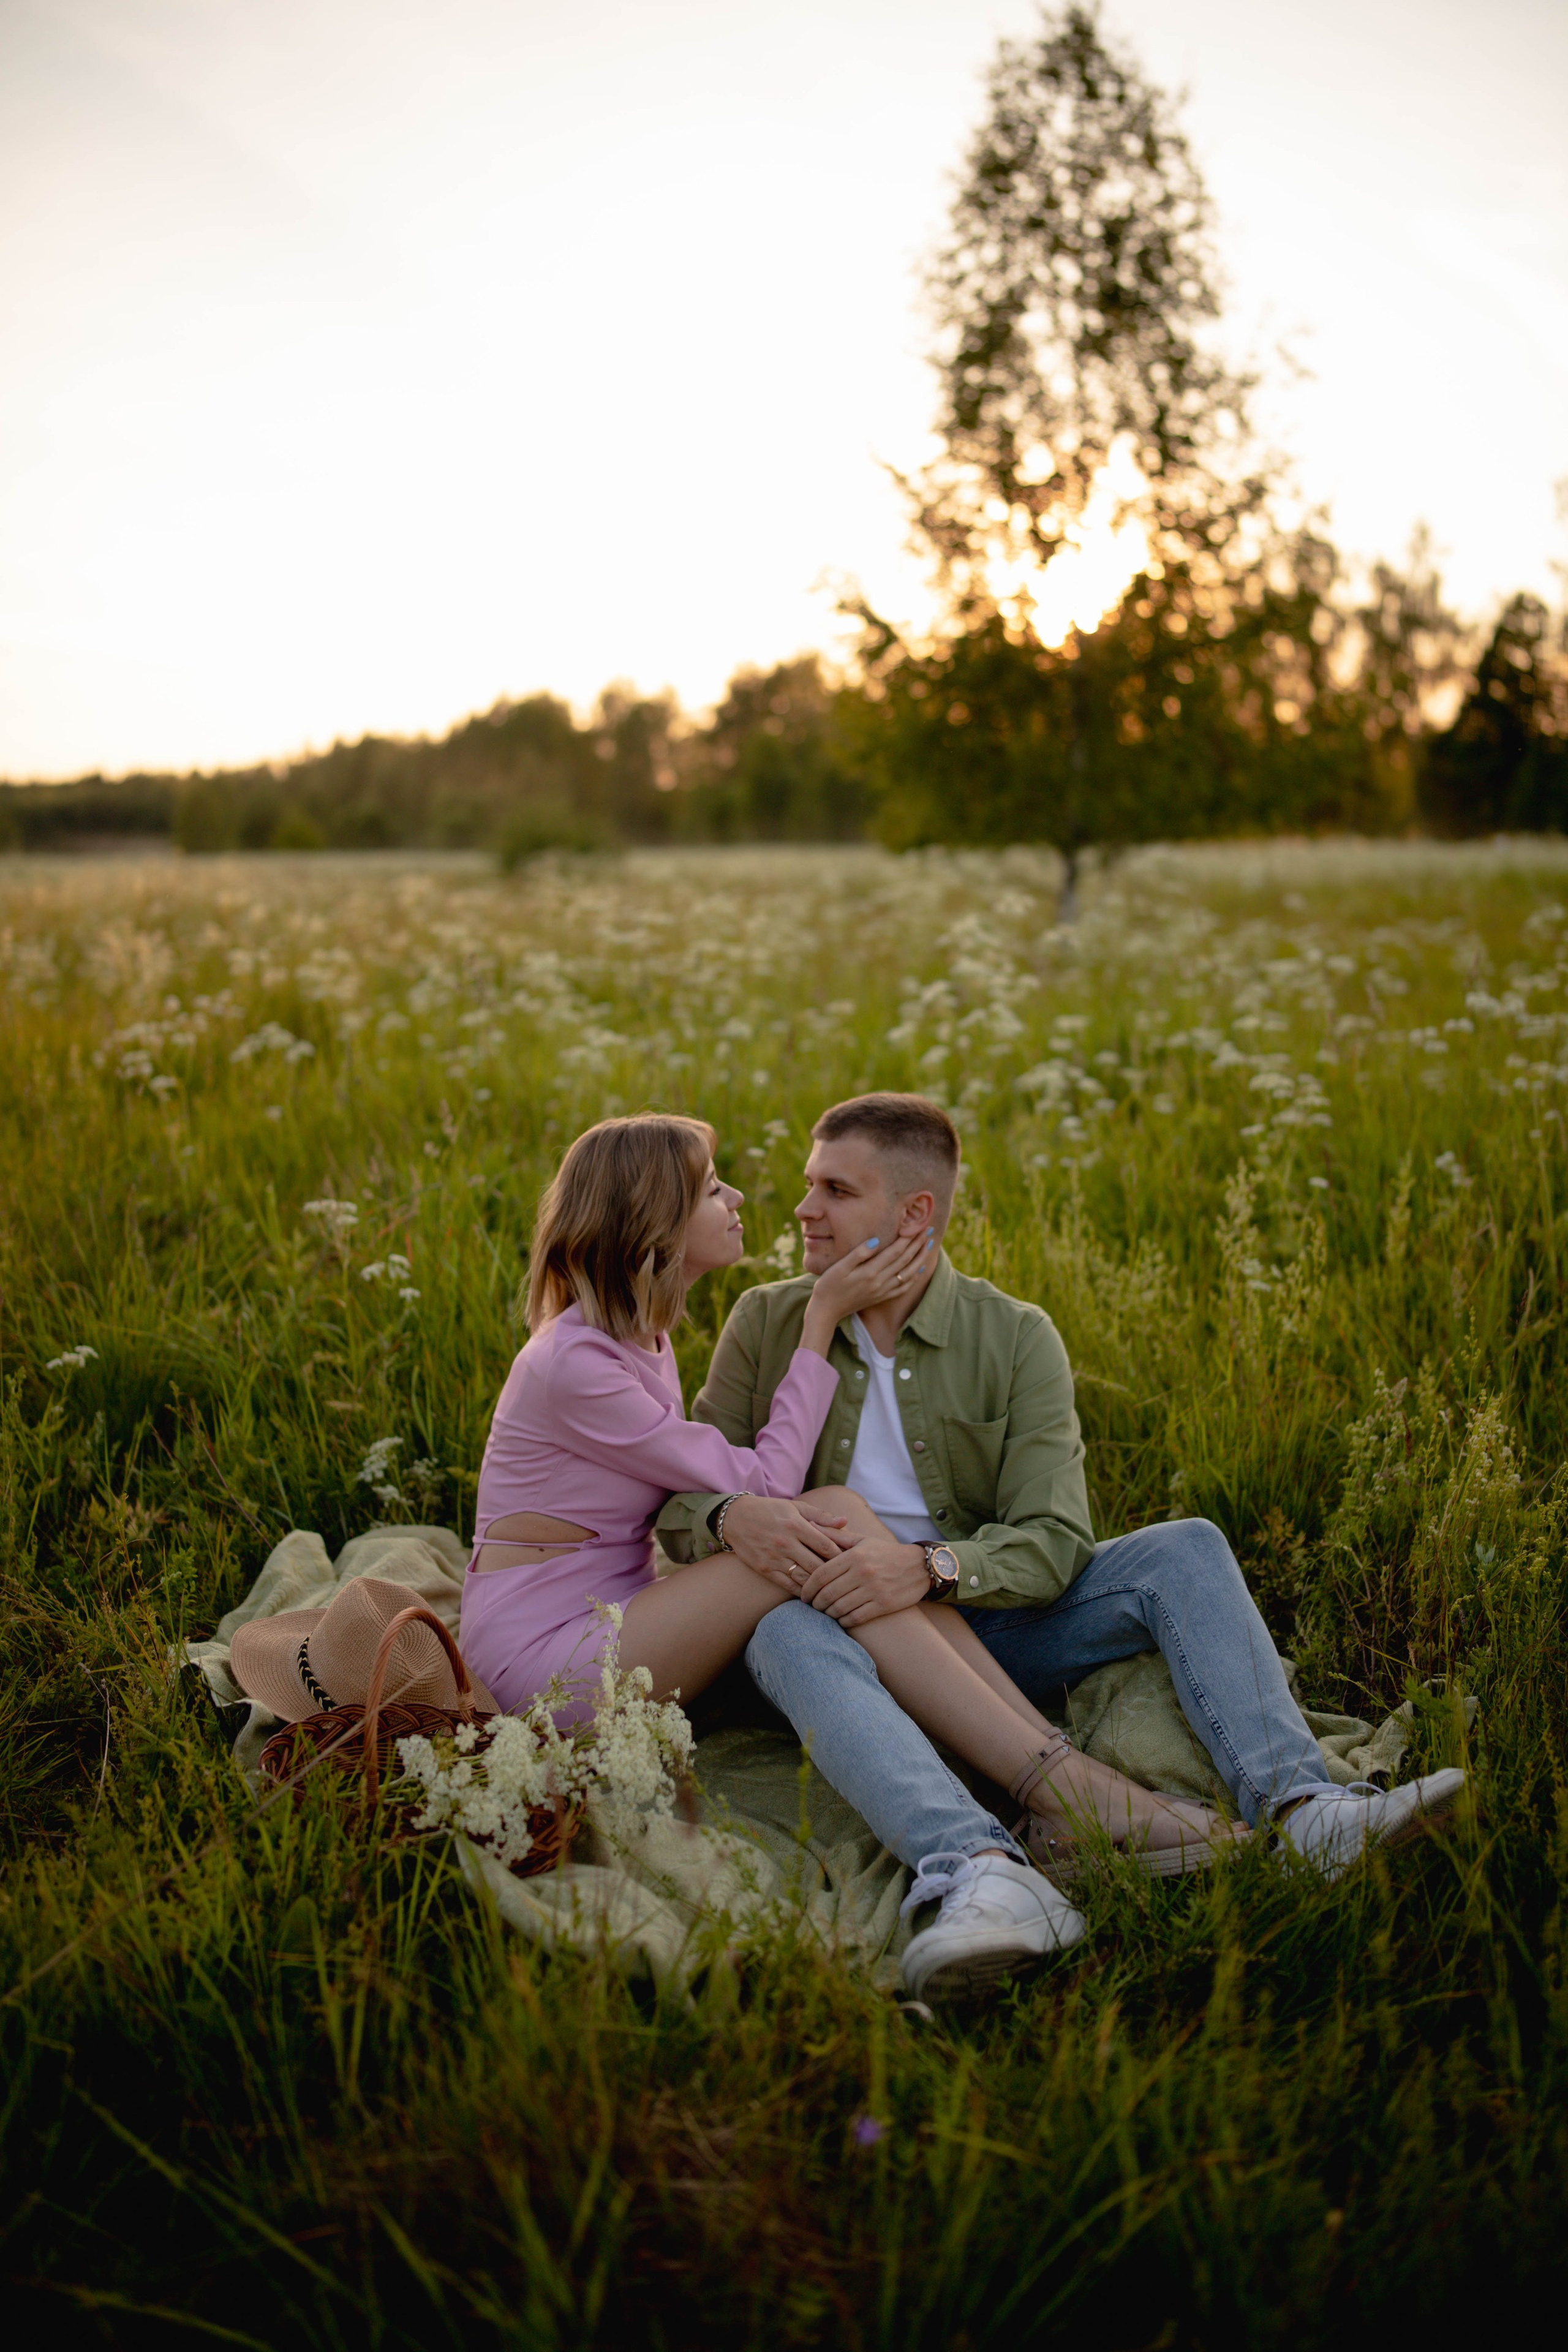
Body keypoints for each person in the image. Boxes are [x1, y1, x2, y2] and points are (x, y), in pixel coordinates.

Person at [462, 1110, 1213, 1999]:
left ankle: (1047, 1781)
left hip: (619, 1619)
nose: (743, 1201)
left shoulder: (640, 1338)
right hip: (548, 1659)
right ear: (654, 1223)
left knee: (847, 1541)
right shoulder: (577, 1364)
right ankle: (1061, 1784)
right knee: (834, 1517)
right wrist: (821, 1320)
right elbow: (765, 1482)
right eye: (711, 1189)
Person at [655, 1092, 1466, 1904]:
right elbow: (677, 1510)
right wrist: (730, 1515)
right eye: (809, 1184)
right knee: (785, 1630)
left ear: (915, 1213)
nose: (803, 1209)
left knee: (1185, 1546)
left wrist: (929, 1568)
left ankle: (1305, 1809)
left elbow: (1053, 1540)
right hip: (829, 1639)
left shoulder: (1014, 1335)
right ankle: (980, 1864)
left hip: (980, 1627)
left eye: (835, 1190)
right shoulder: (768, 1322)